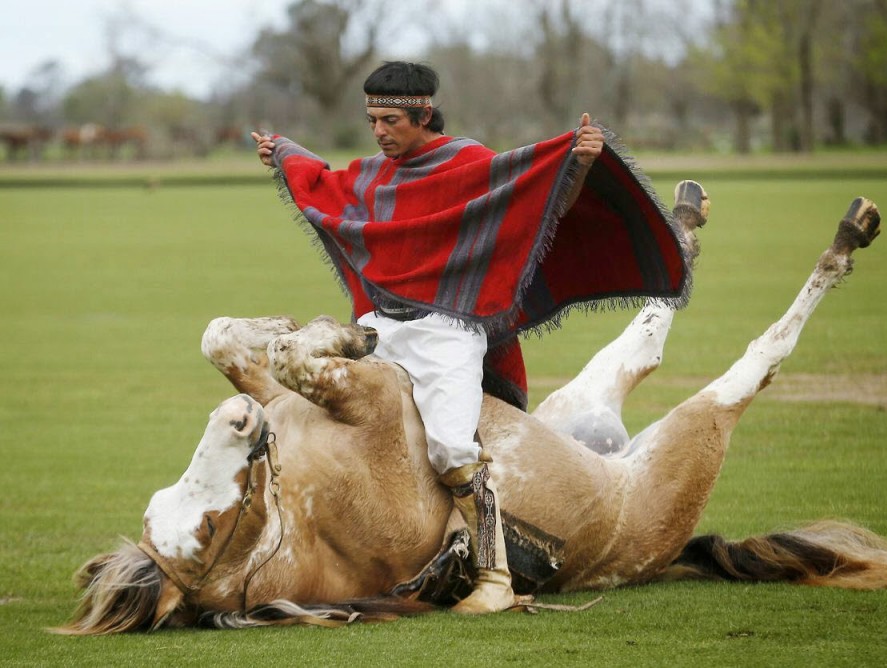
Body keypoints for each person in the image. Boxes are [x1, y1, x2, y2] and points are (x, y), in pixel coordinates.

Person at [252, 61, 688, 614]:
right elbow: (328, 187)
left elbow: (541, 205)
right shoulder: (375, 175)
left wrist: (575, 165)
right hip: (379, 328)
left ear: (424, 113)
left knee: (452, 451)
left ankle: (496, 578)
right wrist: (285, 153)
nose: (380, 132)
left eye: (390, 120)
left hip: (448, 331)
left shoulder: (470, 164)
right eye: (372, 121)